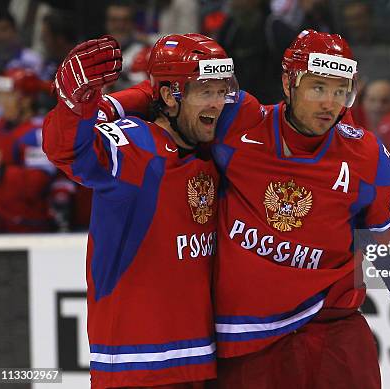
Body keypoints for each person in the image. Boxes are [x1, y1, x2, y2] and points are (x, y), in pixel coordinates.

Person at [108, 29, 390, 388]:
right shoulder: (238, 121)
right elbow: (175, 91)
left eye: (340, 90)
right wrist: (112, 105)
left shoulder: (367, 157)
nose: (329, 103)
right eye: (318, 87)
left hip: (333, 336)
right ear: (289, 82)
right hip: (249, 349)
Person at [42, 33, 242, 388]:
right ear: (169, 96)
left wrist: (134, 96)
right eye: (204, 91)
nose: (218, 103)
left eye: (221, 90)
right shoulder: (135, 145)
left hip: (204, 364)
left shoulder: (215, 150)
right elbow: (69, 152)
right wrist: (76, 105)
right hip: (138, 369)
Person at [0, 67, 57, 232]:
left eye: (8, 96)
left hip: (26, 228)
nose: (1, 102)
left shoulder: (38, 134)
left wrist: (0, 172)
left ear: (26, 100)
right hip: (0, 225)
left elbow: (36, 183)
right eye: (0, 95)